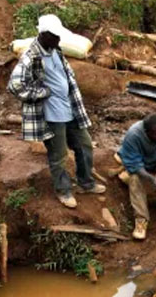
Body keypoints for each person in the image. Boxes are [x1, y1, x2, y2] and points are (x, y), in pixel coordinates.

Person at [9, 14, 106, 209]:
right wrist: (40, 92)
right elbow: (15, 85)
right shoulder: (31, 56)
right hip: (52, 116)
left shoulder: (56, 50)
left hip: (70, 108)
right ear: (43, 35)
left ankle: (86, 182)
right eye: (55, 36)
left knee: (85, 144)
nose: (58, 39)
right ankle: (63, 190)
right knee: (59, 154)